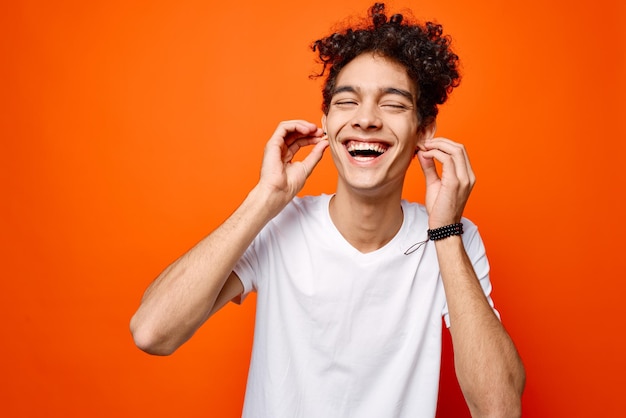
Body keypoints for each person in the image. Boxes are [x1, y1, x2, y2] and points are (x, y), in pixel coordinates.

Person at [130, 3, 525, 417]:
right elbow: (152, 332)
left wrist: (445, 233)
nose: (366, 119)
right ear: (326, 123)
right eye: (347, 102)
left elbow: (499, 409)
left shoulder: (453, 238)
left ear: (424, 131)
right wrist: (265, 199)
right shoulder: (280, 225)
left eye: (392, 104)